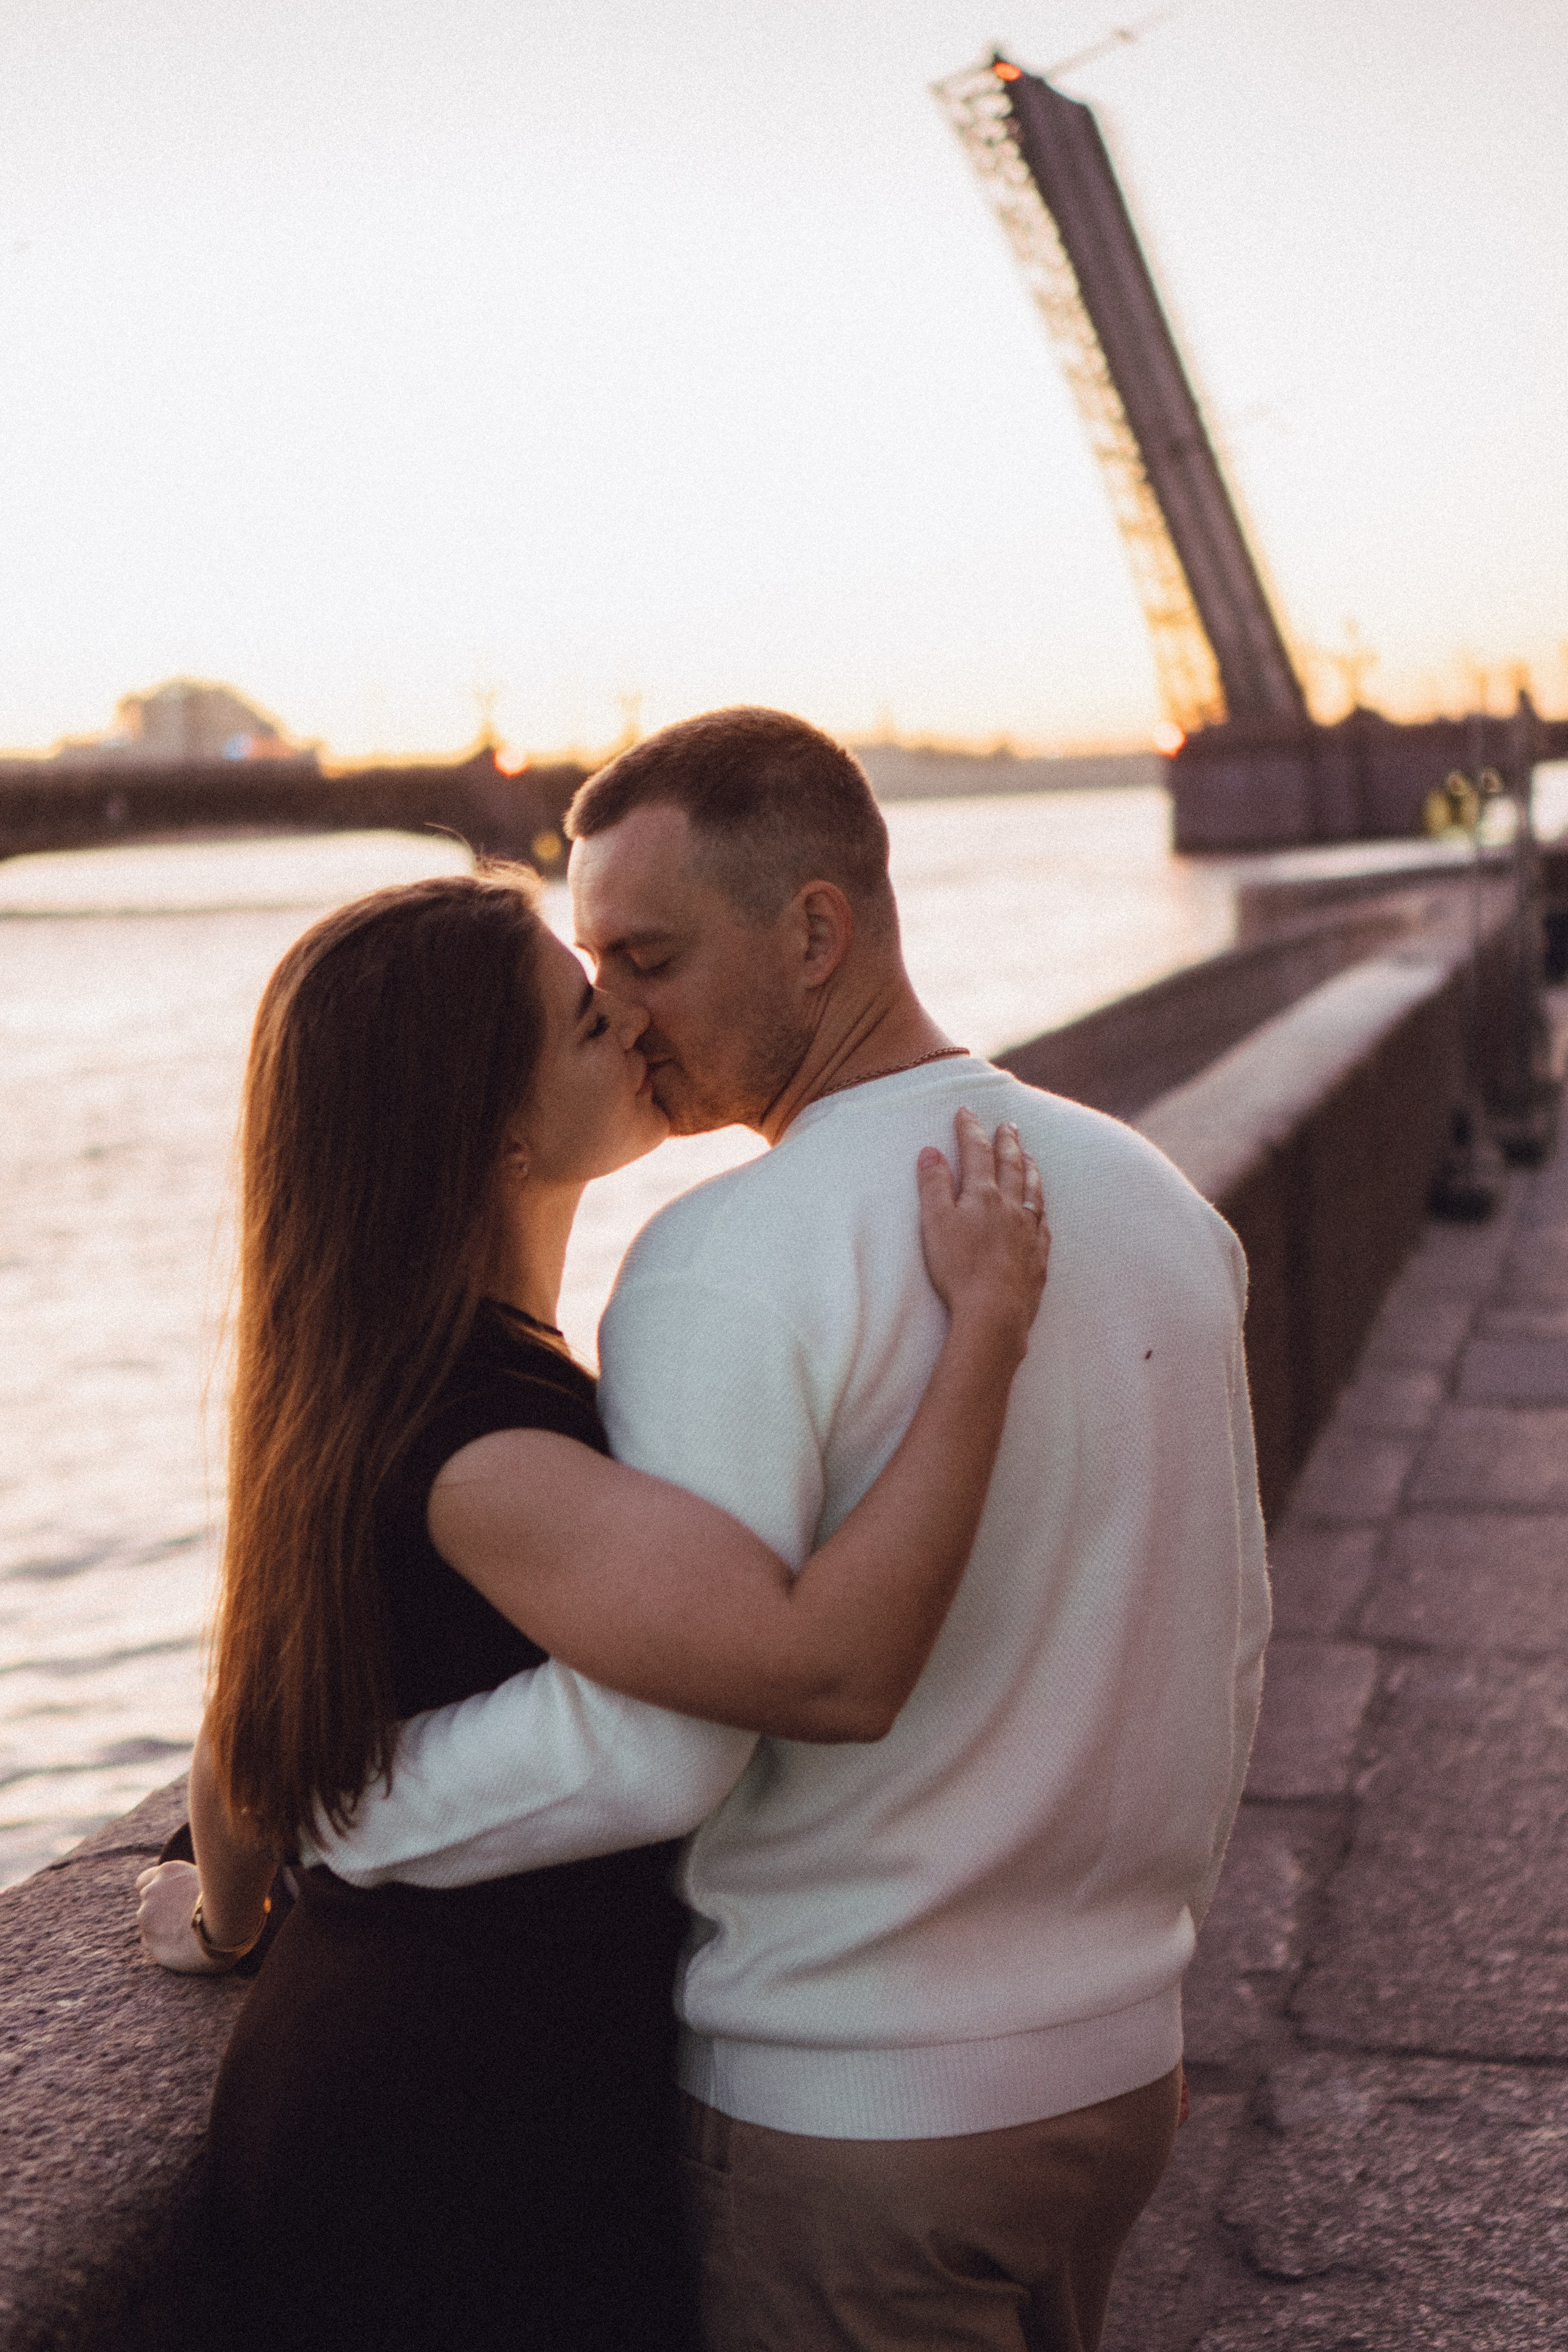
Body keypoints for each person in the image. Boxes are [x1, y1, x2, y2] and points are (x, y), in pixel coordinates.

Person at [302, 708, 1273, 2352]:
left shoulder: (721, 1261)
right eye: (595, 965)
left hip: (860, 2110)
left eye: (652, 955)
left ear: (815, 931)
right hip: (1119, 2072)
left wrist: (322, 1803)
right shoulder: (1156, 1202)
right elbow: (1228, 1633)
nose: (619, 1008)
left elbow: (656, 1746)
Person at [134, 864, 1051, 2352]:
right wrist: (984, 1342)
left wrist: (223, 1914)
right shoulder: (491, 1447)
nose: (628, 1016)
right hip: (453, 2154)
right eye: (580, 1014)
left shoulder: (374, 1390)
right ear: (491, 1130)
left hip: (413, 2098)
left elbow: (261, 1716)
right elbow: (828, 1665)